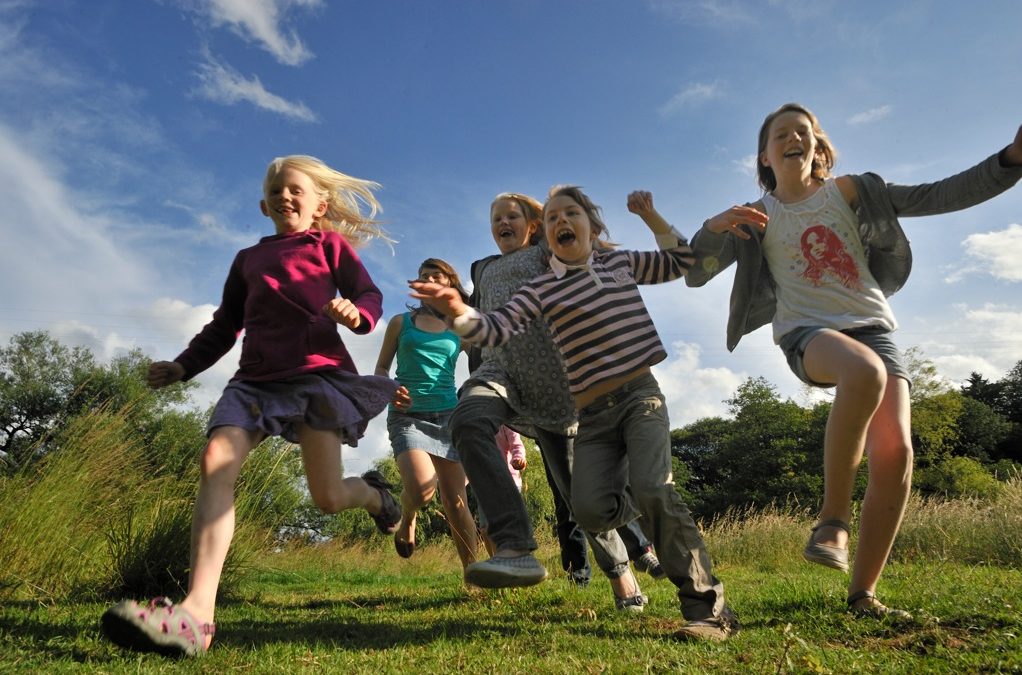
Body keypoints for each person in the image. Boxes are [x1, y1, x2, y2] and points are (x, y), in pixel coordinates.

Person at [686, 103, 1022, 620]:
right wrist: (713, 226)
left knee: (896, 454)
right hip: (807, 334)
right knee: (863, 370)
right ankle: (832, 520)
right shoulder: (757, 218)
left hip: (873, 327)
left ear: (819, 148)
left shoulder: (850, 192)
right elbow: (695, 271)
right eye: (783, 134)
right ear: (765, 155)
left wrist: (1011, 158)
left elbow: (936, 195)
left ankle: (862, 595)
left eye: (806, 132)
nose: (796, 138)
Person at [101, 155, 401, 657]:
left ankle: (374, 496)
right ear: (264, 205)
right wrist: (183, 366)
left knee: (326, 497)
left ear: (319, 204)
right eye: (276, 190)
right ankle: (197, 614)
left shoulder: (328, 245)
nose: (285, 196)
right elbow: (225, 325)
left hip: (317, 376)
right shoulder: (247, 260)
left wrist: (357, 315)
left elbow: (368, 294)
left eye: (295, 189)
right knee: (215, 460)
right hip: (255, 380)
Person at [413, 187, 738, 641]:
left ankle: (709, 610)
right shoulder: (539, 288)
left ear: (591, 227)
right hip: (589, 413)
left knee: (653, 487)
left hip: (634, 396)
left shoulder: (618, 264)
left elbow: (680, 260)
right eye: (553, 218)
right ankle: (628, 519)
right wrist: (455, 311)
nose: (560, 222)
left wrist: (653, 215)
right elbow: (493, 327)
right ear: (544, 233)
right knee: (589, 509)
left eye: (571, 214)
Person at [452, 192, 649, 613]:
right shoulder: (482, 268)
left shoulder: (546, 252)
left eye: (511, 216)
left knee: (580, 497)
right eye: (495, 218)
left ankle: (622, 572)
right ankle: (514, 544)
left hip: (556, 383)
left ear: (532, 225)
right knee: (468, 420)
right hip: (498, 371)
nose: (502, 223)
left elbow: (586, 258)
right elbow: (475, 325)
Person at [373, 258, 477, 570]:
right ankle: (408, 516)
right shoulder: (399, 322)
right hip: (407, 415)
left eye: (436, 275)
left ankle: (473, 576)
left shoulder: (459, 327)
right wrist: (389, 387)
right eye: (423, 275)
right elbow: (381, 368)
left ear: (450, 283)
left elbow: (486, 360)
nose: (428, 278)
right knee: (421, 489)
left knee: (457, 502)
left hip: (448, 414)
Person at [476, 425, 528, 556]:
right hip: (484, 483)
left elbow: (517, 445)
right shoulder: (476, 424)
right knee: (486, 528)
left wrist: (518, 458)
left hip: (508, 481)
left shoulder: (506, 424)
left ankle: (510, 560)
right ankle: (495, 560)